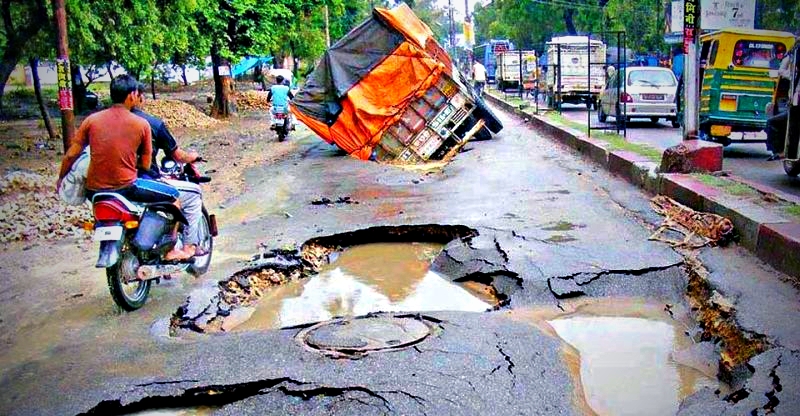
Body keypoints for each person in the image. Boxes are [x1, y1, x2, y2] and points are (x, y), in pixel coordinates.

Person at [132, 84, 205, 260]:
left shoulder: (100, 122)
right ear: (136, 96)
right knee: (191, 194)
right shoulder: (150, 124)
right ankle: (184, 247)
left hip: (107, 184)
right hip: (141, 181)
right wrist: (192, 156)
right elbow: (176, 155)